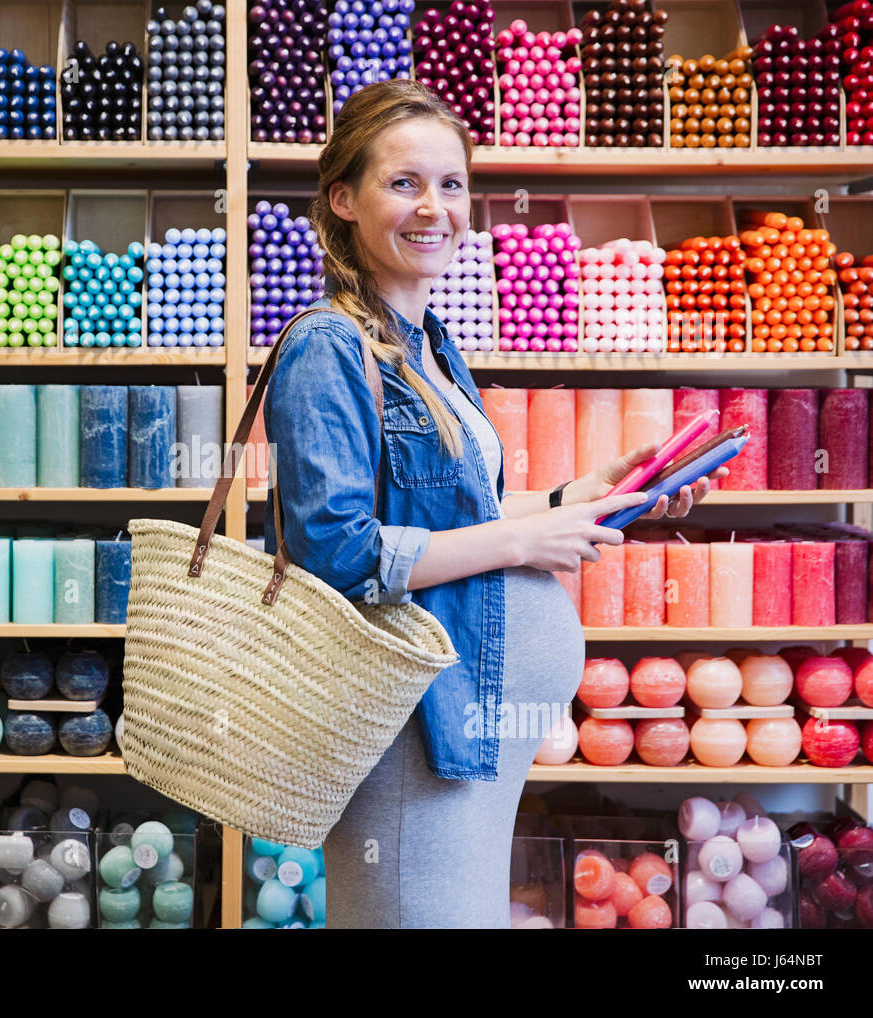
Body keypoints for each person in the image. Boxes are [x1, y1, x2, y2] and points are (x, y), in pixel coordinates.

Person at [261, 79, 728, 929]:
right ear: (343, 199)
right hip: (408, 732)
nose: (433, 207)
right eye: (403, 183)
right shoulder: (326, 346)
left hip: (464, 727)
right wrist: (526, 544)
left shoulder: (430, 346)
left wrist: (579, 499)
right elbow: (337, 552)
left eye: (450, 185)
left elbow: (452, 514)